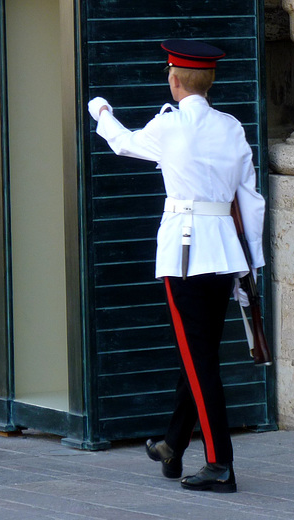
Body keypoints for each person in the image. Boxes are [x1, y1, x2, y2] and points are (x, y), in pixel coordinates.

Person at [88, 39, 266, 493]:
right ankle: (171, 444)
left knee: (199, 360)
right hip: (225, 254)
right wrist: (253, 265)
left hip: (186, 255)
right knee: (200, 354)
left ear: (174, 80)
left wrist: (101, 112)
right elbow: (251, 199)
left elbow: (125, 145)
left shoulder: (169, 127)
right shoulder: (230, 127)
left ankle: (220, 463)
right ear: (210, 81)